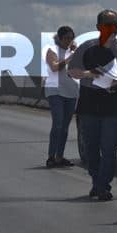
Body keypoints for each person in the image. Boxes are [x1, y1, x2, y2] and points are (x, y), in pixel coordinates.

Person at [68, 9, 117, 201]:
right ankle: (97, 181)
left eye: (116, 25)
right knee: (91, 149)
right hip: (89, 105)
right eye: (108, 25)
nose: (113, 29)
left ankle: (103, 186)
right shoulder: (87, 47)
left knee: (109, 148)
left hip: (113, 106)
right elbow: (72, 71)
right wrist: (89, 74)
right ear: (98, 27)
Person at [43, 26, 78, 168]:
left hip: (71, 91)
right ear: (60, 38)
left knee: (64, 126)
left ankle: (59, 156)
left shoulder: (74, 50)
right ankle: (51, 156)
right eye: (66, 38)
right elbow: (54, 67)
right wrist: (69, 58)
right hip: (55, 90)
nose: (68, 41)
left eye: (71, 38)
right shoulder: (52, 50)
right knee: (57, 124)